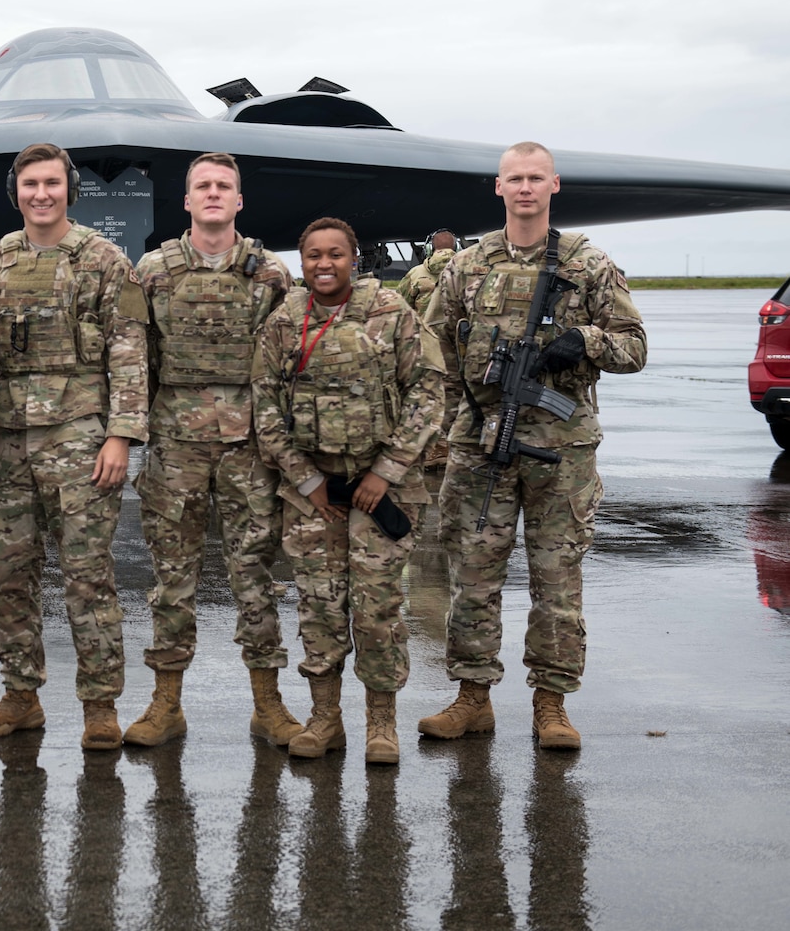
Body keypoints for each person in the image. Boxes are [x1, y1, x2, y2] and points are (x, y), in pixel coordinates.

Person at [419, 142, 646, 750]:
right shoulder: (468, 266)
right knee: (471, 573)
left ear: (554, 186)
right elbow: (428, 350)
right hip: (480, 444)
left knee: (557, 577)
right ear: (498, 188)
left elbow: (635, 348)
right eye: (514, 178)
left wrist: (587, 340)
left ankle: (552, 706)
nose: (524, 188)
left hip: (561, 447)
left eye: (535, 178)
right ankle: (472, 698)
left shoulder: (589, 262)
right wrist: (444, 424)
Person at [0, 143, 149, 751]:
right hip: (8, 444)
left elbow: (128, 353)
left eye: (50, 183)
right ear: (15, 192)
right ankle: (21, 698)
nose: (40, 194)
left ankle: (100, 706)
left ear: (69, 189)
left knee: (87, 577)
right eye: (29, 185)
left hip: (80, 439)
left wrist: (121, 435)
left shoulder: (104, 260)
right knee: (9, 578)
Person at [250, 216, 444, 764]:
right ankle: (324, 718)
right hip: (315, 496)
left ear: (354, 258)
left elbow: (428, 395)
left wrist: (387, 470)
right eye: (313, 255)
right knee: (319, 608)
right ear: (302, 260)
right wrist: (306, 480)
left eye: (336, 253)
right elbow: (264, 408)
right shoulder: (284, 322)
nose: (324, 264)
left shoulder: (392, 313)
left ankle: (381, 722)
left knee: (379, 607)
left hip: (381, 493)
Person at [125, 152, 300, 748]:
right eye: (203, 186)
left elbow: (290, 365)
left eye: (225, 186)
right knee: (172, 576)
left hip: (249, 445)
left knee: (254, 574)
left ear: (240, 201)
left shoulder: (271, 273)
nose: (214, 194)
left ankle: (268, 704)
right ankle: (165, 704)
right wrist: (129, 432)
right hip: (176, 444)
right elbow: (132, 358)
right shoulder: (153, 270)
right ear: (187, 200)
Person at [398, 229, 459, 471]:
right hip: (457, 347)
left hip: (425, 346)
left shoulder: (415, 275)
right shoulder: (465, 269)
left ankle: (435, 448)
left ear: (429, 249)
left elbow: (400, 306)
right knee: (457, 396)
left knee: (428, 396)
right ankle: (456, 447)